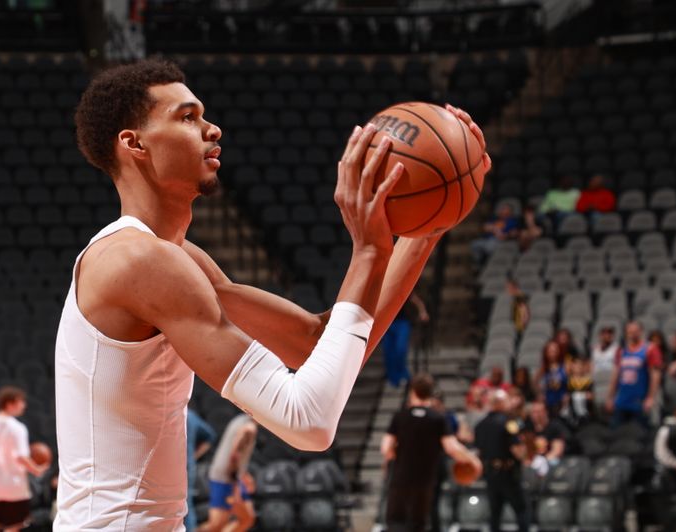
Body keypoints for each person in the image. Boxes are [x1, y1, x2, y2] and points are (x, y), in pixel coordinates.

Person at [53, 59, 490, 529]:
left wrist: (426, 228)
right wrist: (367, 251)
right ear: (134, 143)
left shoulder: (177, 258)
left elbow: (317, 344)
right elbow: (307, 421)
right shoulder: (138, 261)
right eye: (187, 116)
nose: (212, 128)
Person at [380, 373, 481, 532]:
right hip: (425, 479)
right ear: (431, 393)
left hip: (401, 477)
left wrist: (394, 456)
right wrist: (472, 459)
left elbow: (386, 448)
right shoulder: (438, 418)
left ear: (412, 392)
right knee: (418, 523)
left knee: (395, 522)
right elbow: (452, 448)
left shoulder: (400, 416)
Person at [0, 386, 47, 532]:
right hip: (14, 486)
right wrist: (37, 470)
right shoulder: (17, 428)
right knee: (14, 526)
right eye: (21, 402)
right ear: (10, 403)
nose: (24, 405)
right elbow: (21, 457)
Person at [474, 390, 529, 532]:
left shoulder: (480, 425)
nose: (509, 404)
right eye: (506, 401)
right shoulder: (509, 423)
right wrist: (525, 457)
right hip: (508, 473)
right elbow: (516, 449)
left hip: (490, 474)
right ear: (499, 403)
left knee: (495, 513)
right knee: (521, 509)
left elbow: (479, 451)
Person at [199, 414, 257, 532]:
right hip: (226, 478)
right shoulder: (249, 428)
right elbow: (235, 455)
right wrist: (235, 484)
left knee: (247, 518)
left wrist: (245, 476)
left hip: (231, 475)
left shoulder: (240, 419)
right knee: (216, 525)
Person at [606, 321, 663, 427]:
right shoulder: (621, 352)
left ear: (641, 332)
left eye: (635, 331)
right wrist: (610, 397)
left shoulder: (650, 350)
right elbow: (615, 376)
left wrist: (650, 398)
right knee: (616, 433)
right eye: (630, 332)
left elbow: (655, 376)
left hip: (639, 401)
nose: (632, 334)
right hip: (622, 400)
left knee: (639, 434)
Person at [382, 292, 429, 387]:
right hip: (386, 323)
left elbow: (416, 300)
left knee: (400, 349)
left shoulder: (400, 286)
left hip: (401, 322)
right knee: (388, 351)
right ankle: (393, 379)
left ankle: (404, 375)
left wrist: (423, 312)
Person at [185, 409, 216, 532]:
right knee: (187, 503)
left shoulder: (170, 413)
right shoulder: (191, 415)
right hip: (188, 464)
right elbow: (210, 436)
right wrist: (194, 456)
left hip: (172, 465)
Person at [523, 401, 567, 477]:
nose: (536, 415)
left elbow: (557, 450)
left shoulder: (554, 426)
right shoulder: (528, 428)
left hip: (551, 461)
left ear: (545, 412)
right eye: (533, 412)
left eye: (539, 412)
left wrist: (543, 461)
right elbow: (526, 449)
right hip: (534, 463)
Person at [537, 340, 568, 418]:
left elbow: (571, 382)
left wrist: (568, 394)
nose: (553, 353)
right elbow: (535, 383)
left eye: (555, 350)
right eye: (550, 350)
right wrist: (540, 393)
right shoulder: (543, 369)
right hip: (548, 401)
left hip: (562, 401)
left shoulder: (565, 366)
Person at [566, 356, 594, 427]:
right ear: (572, 367)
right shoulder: (568, 382)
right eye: (576, 364)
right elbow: (566, 397)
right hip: (573, 413)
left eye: (580, 364)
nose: (578, 367)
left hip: (586, 411)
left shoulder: (588, 381)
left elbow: (590, 396)